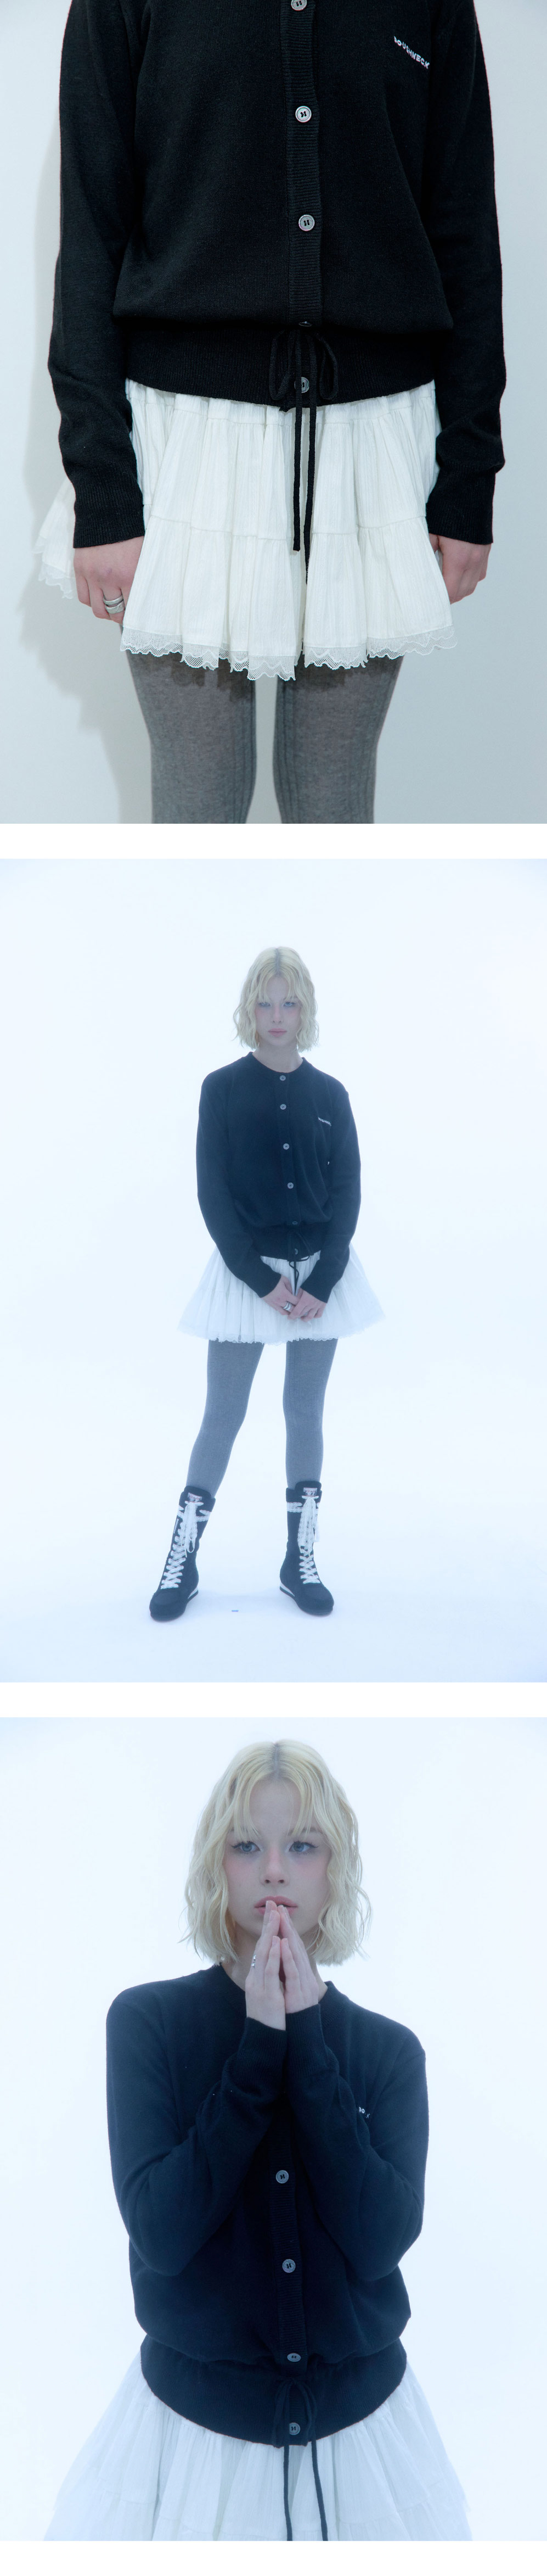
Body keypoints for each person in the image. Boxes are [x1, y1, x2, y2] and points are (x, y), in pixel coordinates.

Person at [36, 0, 505, 824]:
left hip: (365, 455)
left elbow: (465, 231)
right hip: (186, 452)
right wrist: (102, 490)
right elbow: (89, 235)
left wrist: (470, 478)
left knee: (335, 810)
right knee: (197, 810)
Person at [45, 1739, 472, 2541]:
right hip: (191, 2447)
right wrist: (256, 2055)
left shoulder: (388, 2051)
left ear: (335, 1869)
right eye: (247, 1844)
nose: (274, 1870)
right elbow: (161, 2233)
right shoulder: (147, 2023)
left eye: (301, 1845)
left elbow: (381, 2239)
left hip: (365, 2446)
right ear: (217, 1863)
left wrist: (306, 2047)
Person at [149, 945, 381, 1624]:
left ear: (305, 1009)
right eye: (264, 1002)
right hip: (243, 1276)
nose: (276, 1015)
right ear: (248, 1008)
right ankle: (182, 1558)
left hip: (319, 1278)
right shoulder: (221, 1088)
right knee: (222, 1414)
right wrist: (258, 1279)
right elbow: (213, 1193)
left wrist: (324, 1279)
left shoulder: (331, 1094)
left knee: (304, 1413)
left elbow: (347, 1191)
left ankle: (298, 1559)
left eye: (289, 1002)